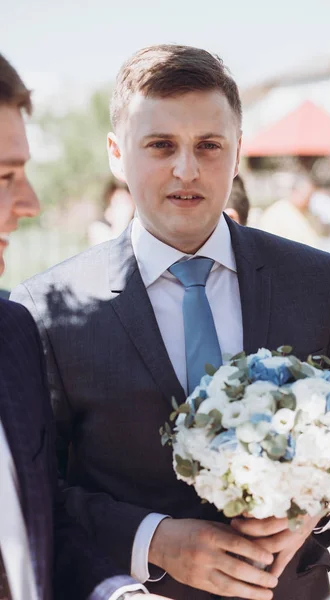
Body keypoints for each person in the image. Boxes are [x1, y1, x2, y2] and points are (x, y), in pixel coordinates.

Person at [11, 45, 330, 600]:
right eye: (161, 144)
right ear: (117, 154)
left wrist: (317, 509)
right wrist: (155, 541)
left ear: (237, 153)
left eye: (209, 146)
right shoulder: (46, 308)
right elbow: (40, 488)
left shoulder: (312, 279)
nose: (186, 169)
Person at [0, 53, 169, 600]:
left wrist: (117, 593)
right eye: (4, 176)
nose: (29, 203)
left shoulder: (12, 335)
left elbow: (40, 521)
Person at [258, 174, 324, 249]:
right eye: (306, 195)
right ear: (295, 192)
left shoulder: (309, 214)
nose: (308, 200)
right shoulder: (277, 212)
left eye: (310, 196)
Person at [88, 179, 135, 246]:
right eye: (119, 201)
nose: (124, 206)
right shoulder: (98, 227)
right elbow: (112, 251)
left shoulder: (135, 223)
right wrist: (121, 221)